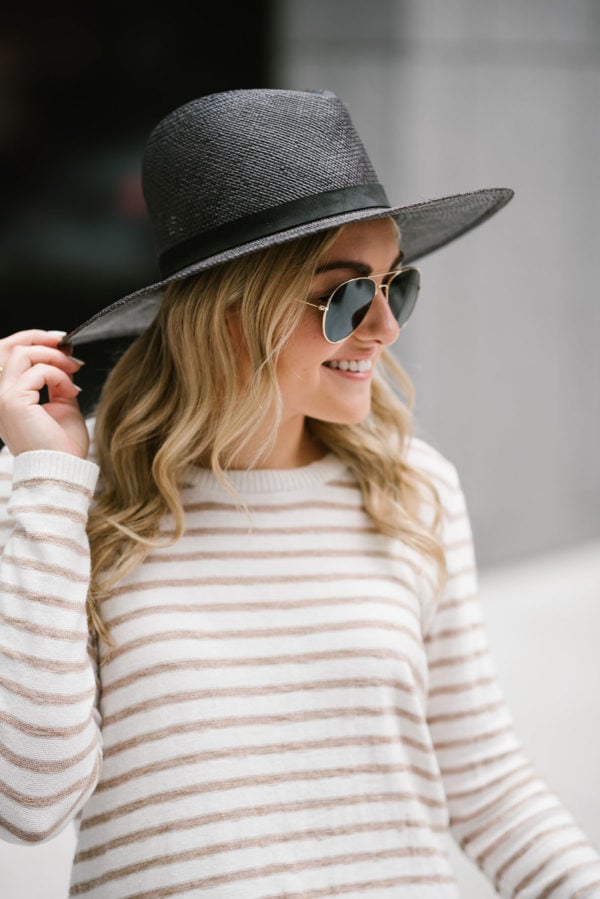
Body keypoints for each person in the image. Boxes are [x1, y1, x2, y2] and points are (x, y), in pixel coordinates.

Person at [0, 88, 598, 899]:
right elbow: (30, 802)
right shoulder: (70, 492)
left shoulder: (413, 486)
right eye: (350, 295)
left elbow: (488, 788)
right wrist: (45, 482)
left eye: (398, 285)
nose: (386, 328)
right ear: (232, 315)